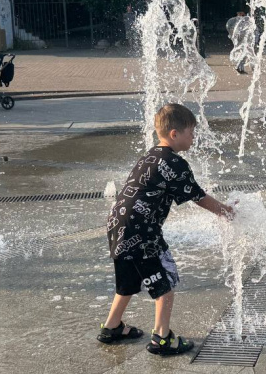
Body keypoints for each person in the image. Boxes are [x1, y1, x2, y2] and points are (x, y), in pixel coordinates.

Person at [98, 103, 235, 355]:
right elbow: (198, 196)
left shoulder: (150, 155)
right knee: (165, 281)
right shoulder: (174, 163)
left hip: (119, 225)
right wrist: (225, 211)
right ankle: (162, 337)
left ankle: (112, 326)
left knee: (129, 279)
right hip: (142, 232)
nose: (193, 138)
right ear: (175, 134)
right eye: (191, 133)